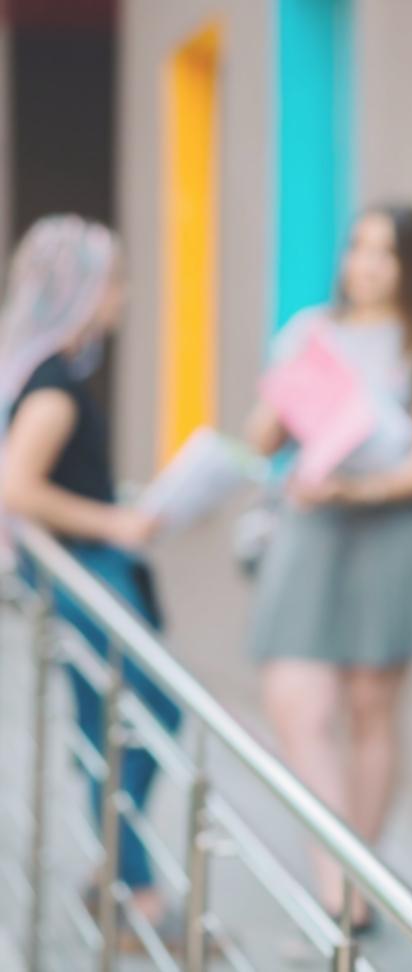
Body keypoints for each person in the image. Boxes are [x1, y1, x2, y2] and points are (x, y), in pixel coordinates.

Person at [243, 203, 412, 929]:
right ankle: (337, 880)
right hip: (308, 535)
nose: (367, 264)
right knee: (299, 704)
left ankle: (353, 887)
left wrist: (355, 485)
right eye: (358, 248)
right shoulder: (309, 331)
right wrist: (288, 396)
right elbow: (259, 436)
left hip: (387, 538)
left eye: (386, 251)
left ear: (411, 264)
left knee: (371, 713)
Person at [0, 214, 180, 945]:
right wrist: (114, 525)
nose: (124, 296)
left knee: (117, 725)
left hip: (87, 568)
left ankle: (121, 873)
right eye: (114, 280)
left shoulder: (58, 374)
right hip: (86, 571)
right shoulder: (55, 387)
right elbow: (16, 488)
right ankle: (133, 886)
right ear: (78, 289)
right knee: (144, 719)